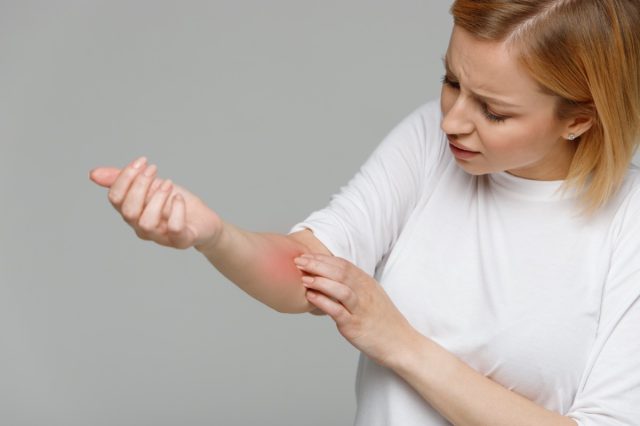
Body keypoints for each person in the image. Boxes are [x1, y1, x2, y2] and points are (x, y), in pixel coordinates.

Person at [89, 0, 640, 425]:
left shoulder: (628, 221)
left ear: (579, 120)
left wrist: (397, 342)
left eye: (493, 111)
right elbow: (308, 269)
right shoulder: (432, 141)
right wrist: (212, 235)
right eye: (451, 81)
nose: (453, 120)